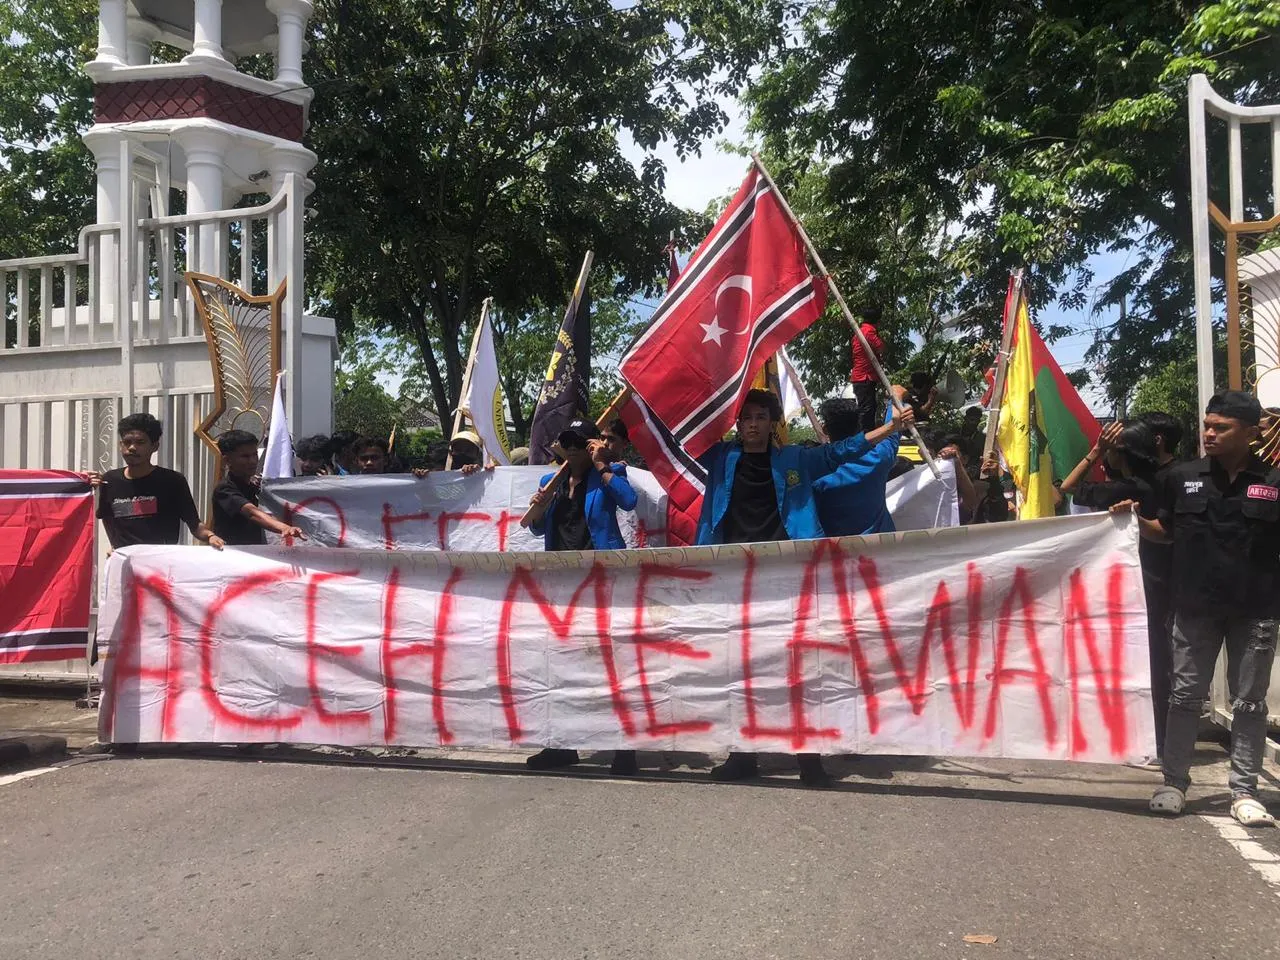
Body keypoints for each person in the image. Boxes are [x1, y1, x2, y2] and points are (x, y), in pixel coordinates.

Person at [697, 388, 912, 787]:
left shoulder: (796, 460)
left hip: (789, 580)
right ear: (738, 424)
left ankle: (808, 760)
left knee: (799, 672)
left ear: (774, 423)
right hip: (737, 581)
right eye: (747, 418)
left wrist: (890, 426)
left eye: (762, 417)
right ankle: (743, 756)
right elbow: (682, 434)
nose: (754, 425)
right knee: (743, 670)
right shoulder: (721, 459)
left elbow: (841, 452)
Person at [1113, 391, 1279, 826]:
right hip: (1193, 608)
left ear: (1251, 432)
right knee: (1185, 697)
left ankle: (1244, 791)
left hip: (1255, 610)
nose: (1209, 433)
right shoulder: (1183, 477)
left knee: (1249, 703)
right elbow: (1163, 531)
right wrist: (1131, 519)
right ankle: (1173, 782)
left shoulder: (1274, 481)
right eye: (1207, 424)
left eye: (1221, 427)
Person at [523, 418, 639, 775]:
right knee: (559, 665)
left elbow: (629, 501)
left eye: (581, 440)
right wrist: (540, 504)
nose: (573, 447)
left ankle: (623, 747)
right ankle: (561, 745)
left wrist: (602, 464)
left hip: (602, 582)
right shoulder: (551, 481)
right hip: (561, 585)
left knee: (609, 665)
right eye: (567, 440)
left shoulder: (608, 474)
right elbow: (538, 526)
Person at [1061, 421, 1168, 762]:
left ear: (1120, 454)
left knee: (1134, 660)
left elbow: (1069, 486)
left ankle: (1143, 737)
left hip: (1129, 585)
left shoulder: (1124, 489)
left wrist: (1095, 451)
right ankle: (1161, 738)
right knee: (1157, 659)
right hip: (1162, 580)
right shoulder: (1167, 481)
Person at [88, 412, 224, 550]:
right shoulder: (110, 480)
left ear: (154, 446)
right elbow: (107, 518)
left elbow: (195, 524)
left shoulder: (173, 481)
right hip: (125, 564)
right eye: (127, 442)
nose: (132, 448)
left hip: (161, 563)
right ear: (120, 445)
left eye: (140, 442)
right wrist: (115, 546)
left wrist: (210, 536)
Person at [812, 390, 906, 537]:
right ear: (859, 427)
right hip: (883, 551)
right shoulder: (880, 457)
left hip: (837, 555)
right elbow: (893, 427)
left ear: (825, 429)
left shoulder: (813, 471)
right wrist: (896, 397)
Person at [211, 430, 307, 545]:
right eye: (245, 456)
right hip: (233, 557)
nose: (252, 461)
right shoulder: (224, 489)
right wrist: (284, 528)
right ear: (227, 460)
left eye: (254, 454)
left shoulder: (256, 488)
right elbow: (252, 513)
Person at [849, 305, 885, 433]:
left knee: (869, 407)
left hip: (863, 376)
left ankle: (866, 433)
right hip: (864, 377)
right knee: (867, 409)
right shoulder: (868, 332)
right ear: (878, 321)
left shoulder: (859, 332)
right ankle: (865, 435)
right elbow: (880, 347)